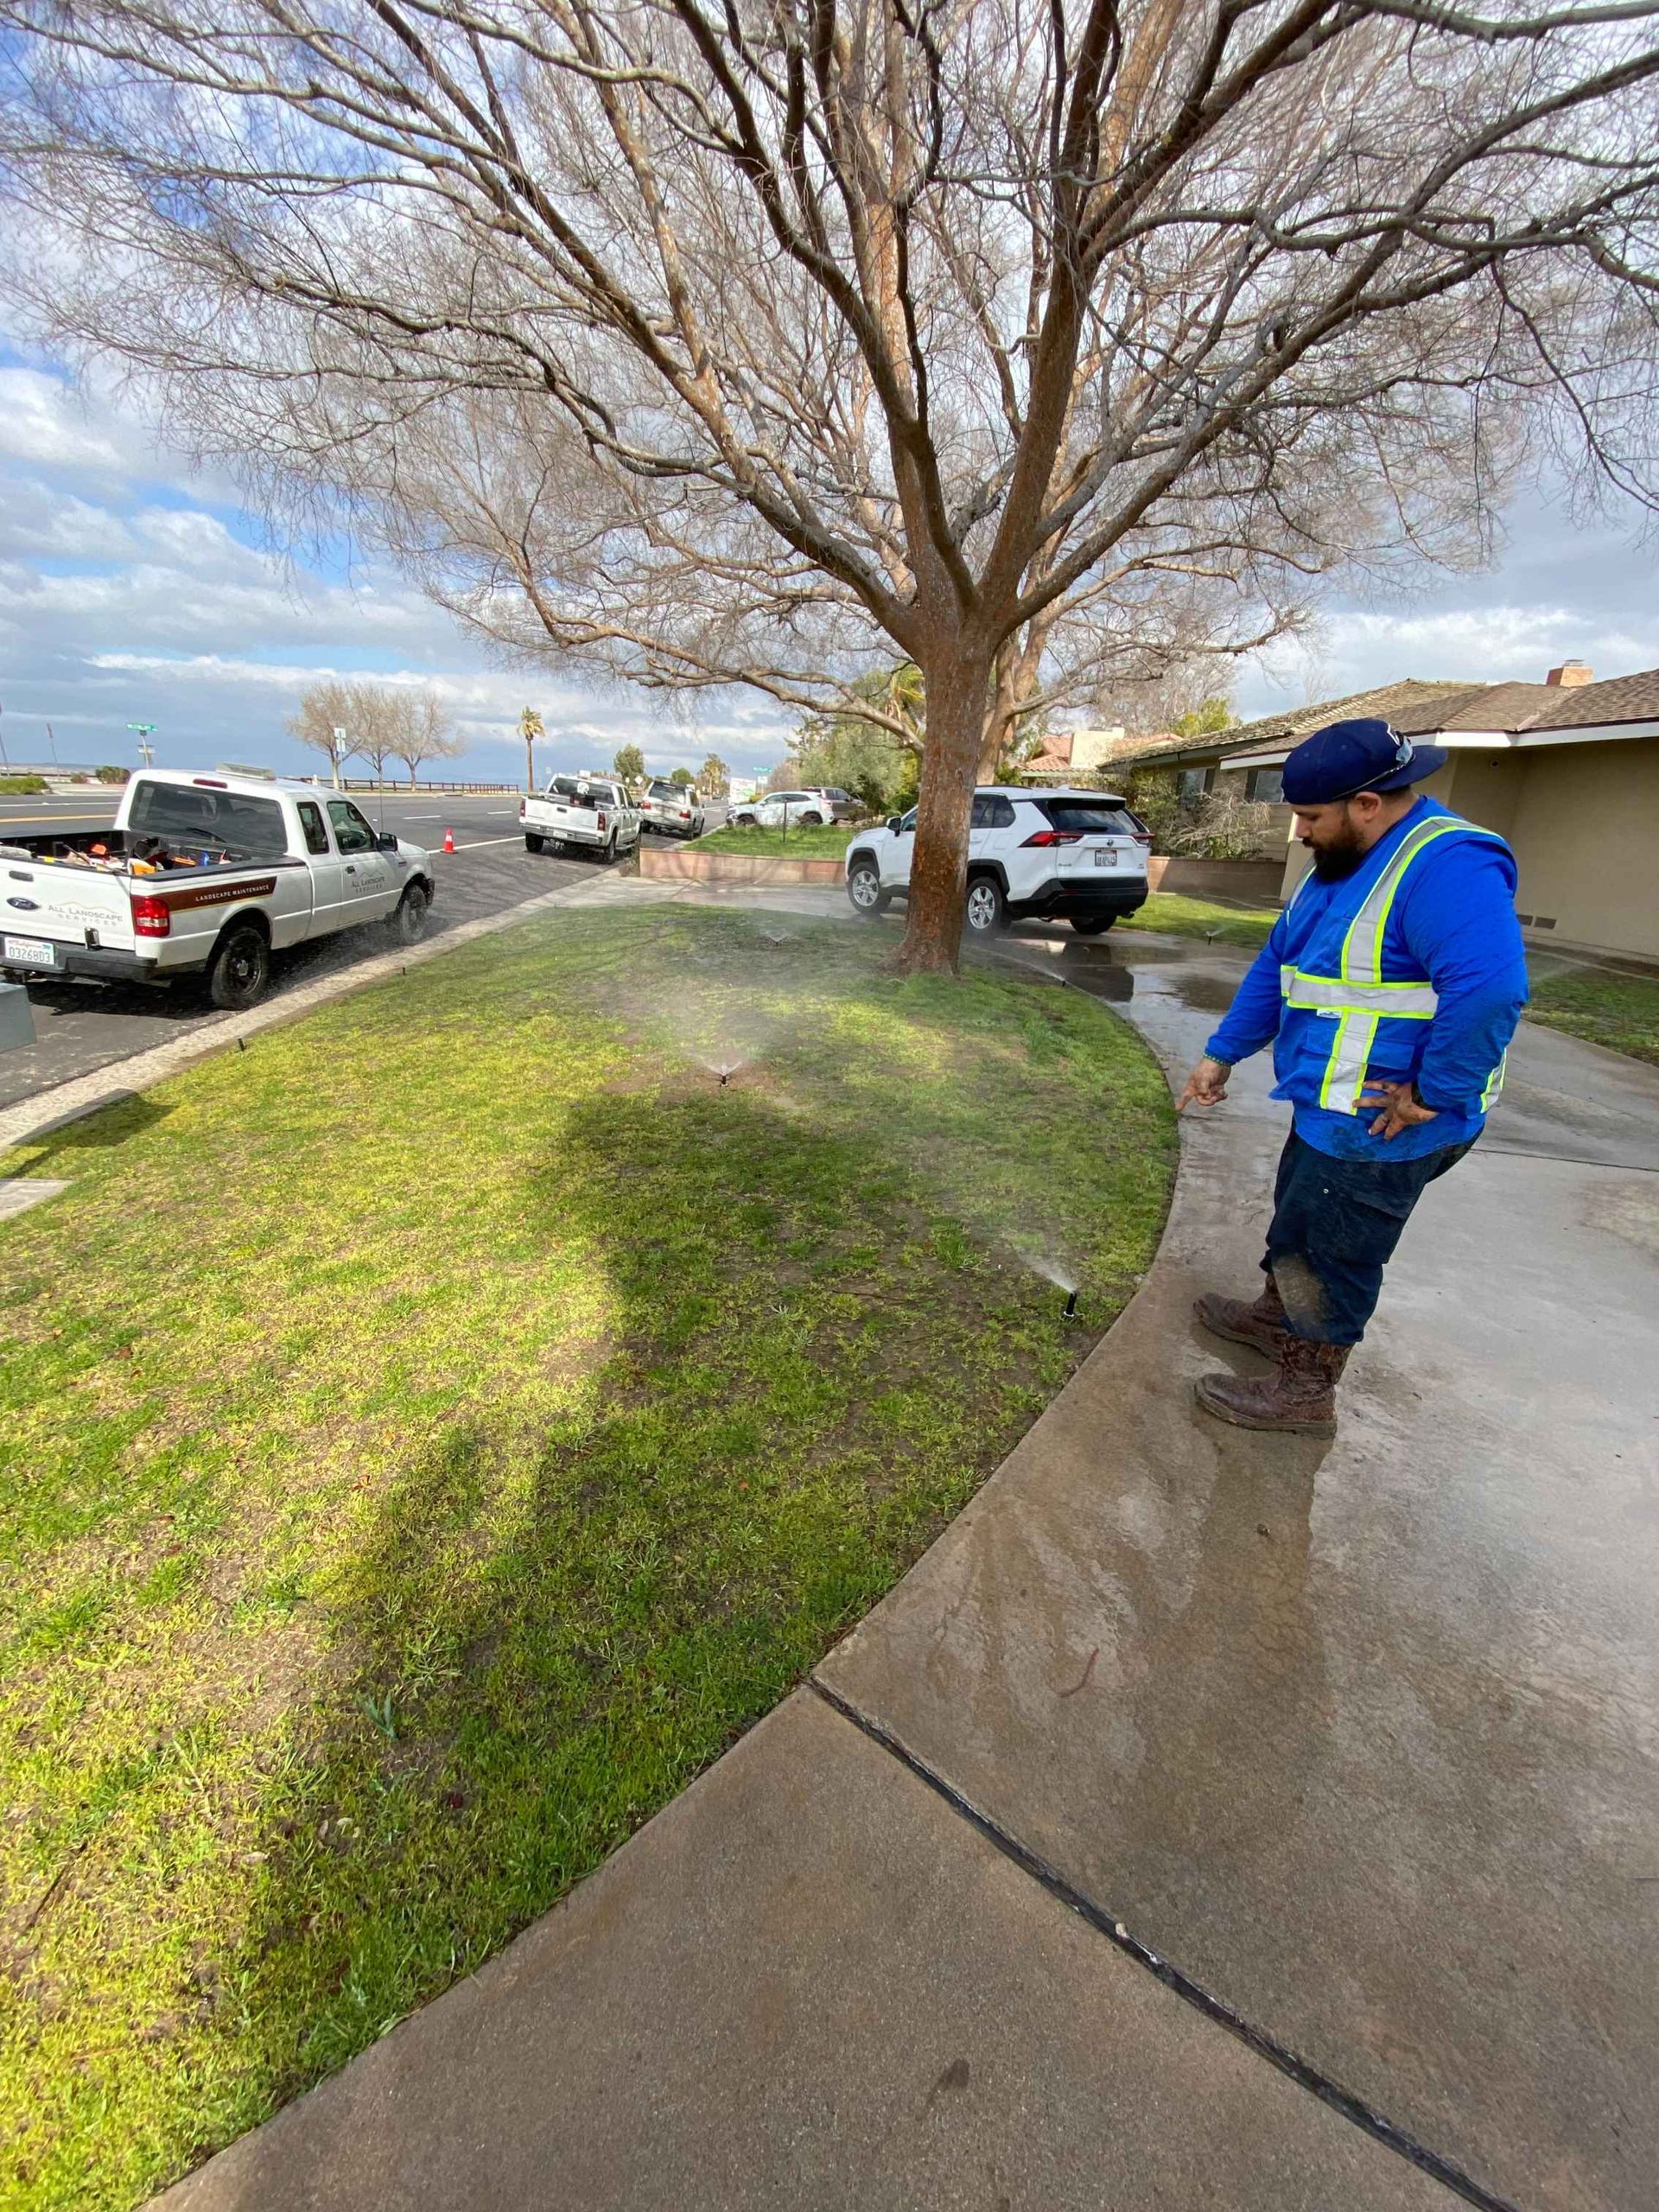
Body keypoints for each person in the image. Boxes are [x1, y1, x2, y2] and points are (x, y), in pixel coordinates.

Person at [1178, 717, 1529, 1435]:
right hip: (1326, 1105)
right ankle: (1275, 1318)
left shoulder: (1445, 864)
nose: (1299, 832)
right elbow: (1281, 969)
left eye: (1310, 816)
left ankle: (1306, 1392)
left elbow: (1491, 990)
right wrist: (1222, 1052)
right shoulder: (1337, 866)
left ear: (1367, 803)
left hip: (1383, 1124)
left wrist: (1434, 1093)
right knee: (1299, 1218)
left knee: (1335, 1251)